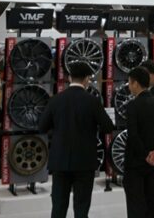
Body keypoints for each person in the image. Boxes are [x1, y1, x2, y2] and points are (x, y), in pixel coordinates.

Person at [38, 63, 115, 218]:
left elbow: (42, 127)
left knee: (58, 206)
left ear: (69, 78)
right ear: (87, 79)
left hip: (60, 160)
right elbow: (108, 127)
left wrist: (58, 133)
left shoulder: (56, 100)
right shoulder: (92, 101)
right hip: (84, 161)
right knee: (81, 207)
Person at [122, 67, 154, 218]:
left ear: (135, 83)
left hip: (135, 164)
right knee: (153, 202)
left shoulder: (132, 106)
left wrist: (145, 155)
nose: (129, 86)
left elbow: (133, 135)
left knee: (136, 206)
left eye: (129, 83)